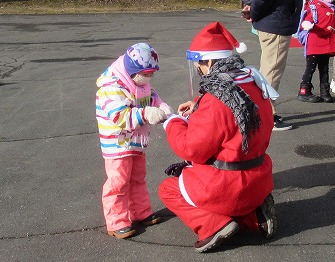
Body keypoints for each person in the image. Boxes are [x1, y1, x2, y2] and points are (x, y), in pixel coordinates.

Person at [158, 22, 277, 253]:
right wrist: (199, 107)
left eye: (199, 65)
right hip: (259, 177)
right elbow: (238, 115)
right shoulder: (252, 82)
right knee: (228, 186)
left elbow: (193, 149)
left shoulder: (216, 99)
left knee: (169, 188)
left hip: (227, 185)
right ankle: (253, 216)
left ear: (210, 62)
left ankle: (214, 226)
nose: (199, 70)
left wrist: (172, 122)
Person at [95, 43, 172, 239]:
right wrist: (147, 113)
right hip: (117, 144)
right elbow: (119, 116)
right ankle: (116, 221)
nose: (148, 78)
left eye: (151, 74)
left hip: (136, 142)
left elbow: (152, 97)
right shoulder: (110, 87)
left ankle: (141, 212)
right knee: (118, 182)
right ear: (132, 70)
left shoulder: (140, 83)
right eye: (146, 73)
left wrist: (160, 105)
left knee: (138, 178)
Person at [241, 0, 303, 130]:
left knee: (268, 69)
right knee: (272, 71)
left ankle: (262, 112)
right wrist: (253, 11)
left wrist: (252, 9)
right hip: (276, 24)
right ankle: (266, 115)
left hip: (274, 21)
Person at [297, 0, 335, 103]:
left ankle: (324, 91)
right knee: (310, 67)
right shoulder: (314, 6)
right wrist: (307, 24)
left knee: (324, 67)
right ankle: (304, 90)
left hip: (327, 42)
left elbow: (333, 20)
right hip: (315, 41)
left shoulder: (334, 6)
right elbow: (307, 19)